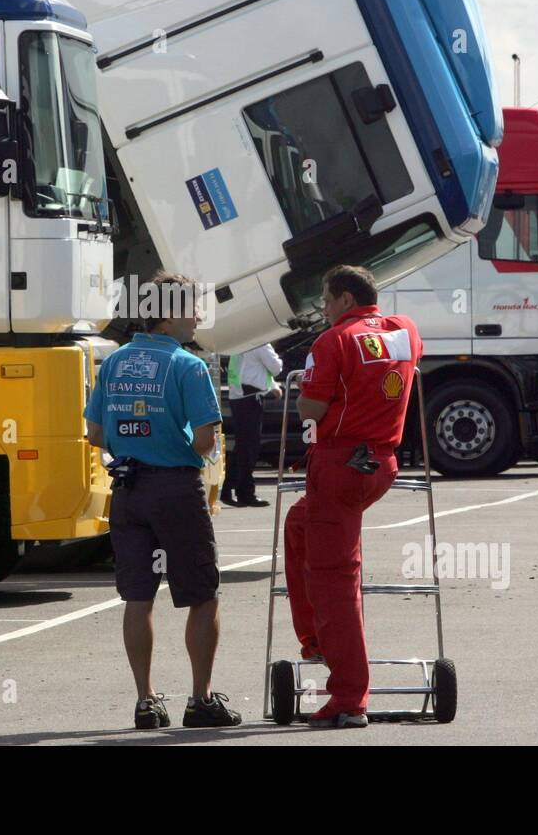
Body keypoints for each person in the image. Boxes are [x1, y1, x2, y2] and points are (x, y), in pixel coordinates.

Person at [85, 271, 242, 730]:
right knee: (203, 594)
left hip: (128, 491)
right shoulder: (187, 366)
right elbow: (206, 438)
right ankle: (200, 699)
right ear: (169, 313)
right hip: (175, 488)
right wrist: (178, 445)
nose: (197, 318)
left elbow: (95, 434)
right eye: (192, 308)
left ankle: (146, 700)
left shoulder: (114, 362)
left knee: (138, 596)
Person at [285, 264, 423, 729]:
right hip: (380, 463)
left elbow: (311, 407)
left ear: (345, 299)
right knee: (298, 524)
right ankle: (315, 639)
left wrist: (306, 393)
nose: (323, 310)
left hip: (339, 465)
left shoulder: (333, 341)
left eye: (326, 299)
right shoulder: (405, 330)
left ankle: (347, 696)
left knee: (334, 581)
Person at [220, 343, 283, 507]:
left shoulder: (244, 339)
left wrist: (272, 385)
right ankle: (245, 492)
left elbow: (254, 370)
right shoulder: (261, 343)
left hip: (239, 396)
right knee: (249, 448)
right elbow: (276, 368)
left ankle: (230, 490)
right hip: (250, 397)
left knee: (243, 447)